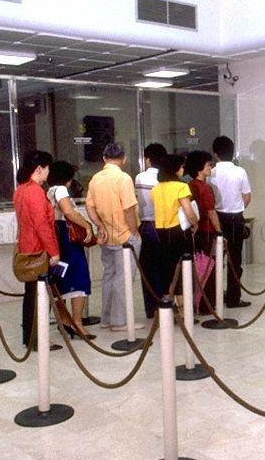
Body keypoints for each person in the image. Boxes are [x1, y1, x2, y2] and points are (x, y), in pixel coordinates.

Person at [85, 142, 142, 332]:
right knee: (123, 278)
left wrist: (100, 226)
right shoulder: (123, 178)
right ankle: (120, 322)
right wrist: (134, 231)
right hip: (125, 235)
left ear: (104, 158)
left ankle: (107, 318)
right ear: (124, 158)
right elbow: (128, 209)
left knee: (109, 276)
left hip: (106, 236)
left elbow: (89, 207)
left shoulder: (95, 179)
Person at [14, 150, 62, 349]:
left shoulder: (20, 189)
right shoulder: (35, 191)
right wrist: (53, 251)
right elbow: (42, 225)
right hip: (37, 249)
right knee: (39, 296)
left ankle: (31, 336)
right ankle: (36, 339)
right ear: (39, 169)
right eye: (47, 167)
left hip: (25, 247)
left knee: (31, 295)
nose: (49, 172)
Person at [47, 161, 96, 340]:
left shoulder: (48, 191)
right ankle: (77, 322)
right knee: (80, 278)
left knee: (59, 280)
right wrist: (87, 226)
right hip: (69, 241)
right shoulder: (60, 189)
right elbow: (68, 212)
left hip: (57, 240)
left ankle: (64, 320)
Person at [208, 136, 252, 308]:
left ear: (215, 154)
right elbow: (247, 197)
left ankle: (213, 298)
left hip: (215, 218)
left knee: (214, 259)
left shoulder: (210, 172)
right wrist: (238, 207)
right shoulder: (240, 172)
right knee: (235, 260)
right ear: (232, 153)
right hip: (235, 219)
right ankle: (233, 298)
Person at [151, 154, 198, 311]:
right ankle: (184, 310)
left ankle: (168, 307)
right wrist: (195, 223)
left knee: (166, 269)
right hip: (178, 232)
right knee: (183, 270)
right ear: (175, 169)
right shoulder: (181, 187)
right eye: (181, 167)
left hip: (160, 232)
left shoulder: (156, 189)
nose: (183, 169)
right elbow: (188, 211)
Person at [186, 150, 222, 314]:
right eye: (208, 165)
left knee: (197, 267)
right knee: (209, 268)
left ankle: (195, 301)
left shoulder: (188, 185)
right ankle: (206, 304)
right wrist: (220, 232)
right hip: (207, 231)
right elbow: (211, 212)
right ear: (200, 168)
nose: (211, 168)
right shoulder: (205, 188)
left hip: (194, 232)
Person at [134, 143, 167, 320]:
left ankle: (151, 308)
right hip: (165, 226)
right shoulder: (166, 178)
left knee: (147, 269)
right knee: (165, 267)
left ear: (147, 159)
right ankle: (166, 305)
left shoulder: (140, 178)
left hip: (146, 226)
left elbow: (139, 203)